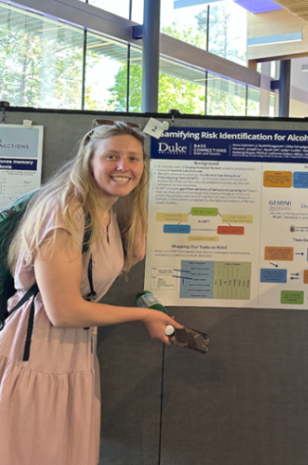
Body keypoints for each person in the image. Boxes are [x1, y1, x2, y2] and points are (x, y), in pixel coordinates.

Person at [0, 121, 181, 464]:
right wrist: (146, 315)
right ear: (89, 161)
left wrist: (135, 196)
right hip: (34, 354)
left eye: (134, 158)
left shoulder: (105, 212)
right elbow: (63, 311)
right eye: (111, 156)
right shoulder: (63, 211)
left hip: (72, 355)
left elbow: (131, 255)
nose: (123, 166)